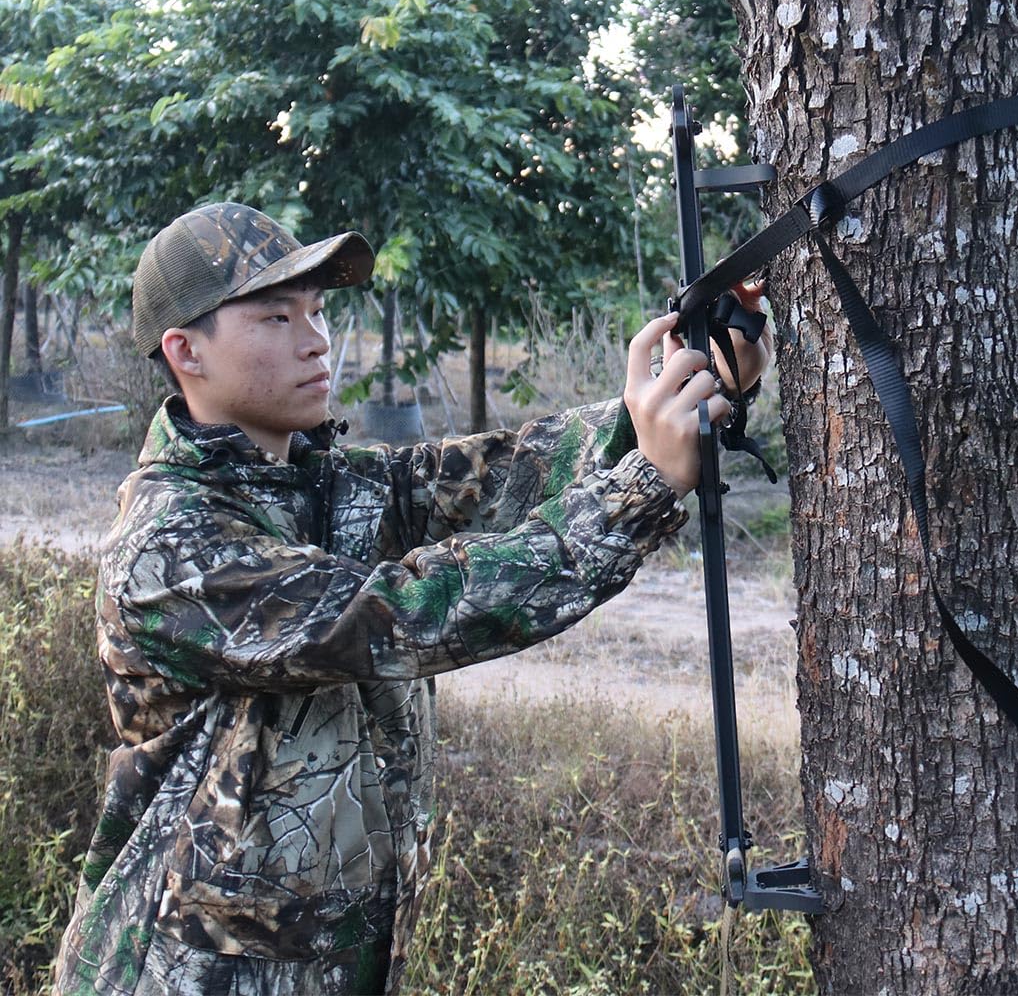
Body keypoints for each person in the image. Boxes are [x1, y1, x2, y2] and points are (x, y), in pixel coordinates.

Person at [52, 202, 771, 996]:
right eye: (275, 317)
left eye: (317, 312)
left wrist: (675, 394)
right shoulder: (168, 548)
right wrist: (642, 490)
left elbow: (507, 469)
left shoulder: (326, 487)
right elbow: (407, 612)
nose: (315, 338)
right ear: (185, 351)